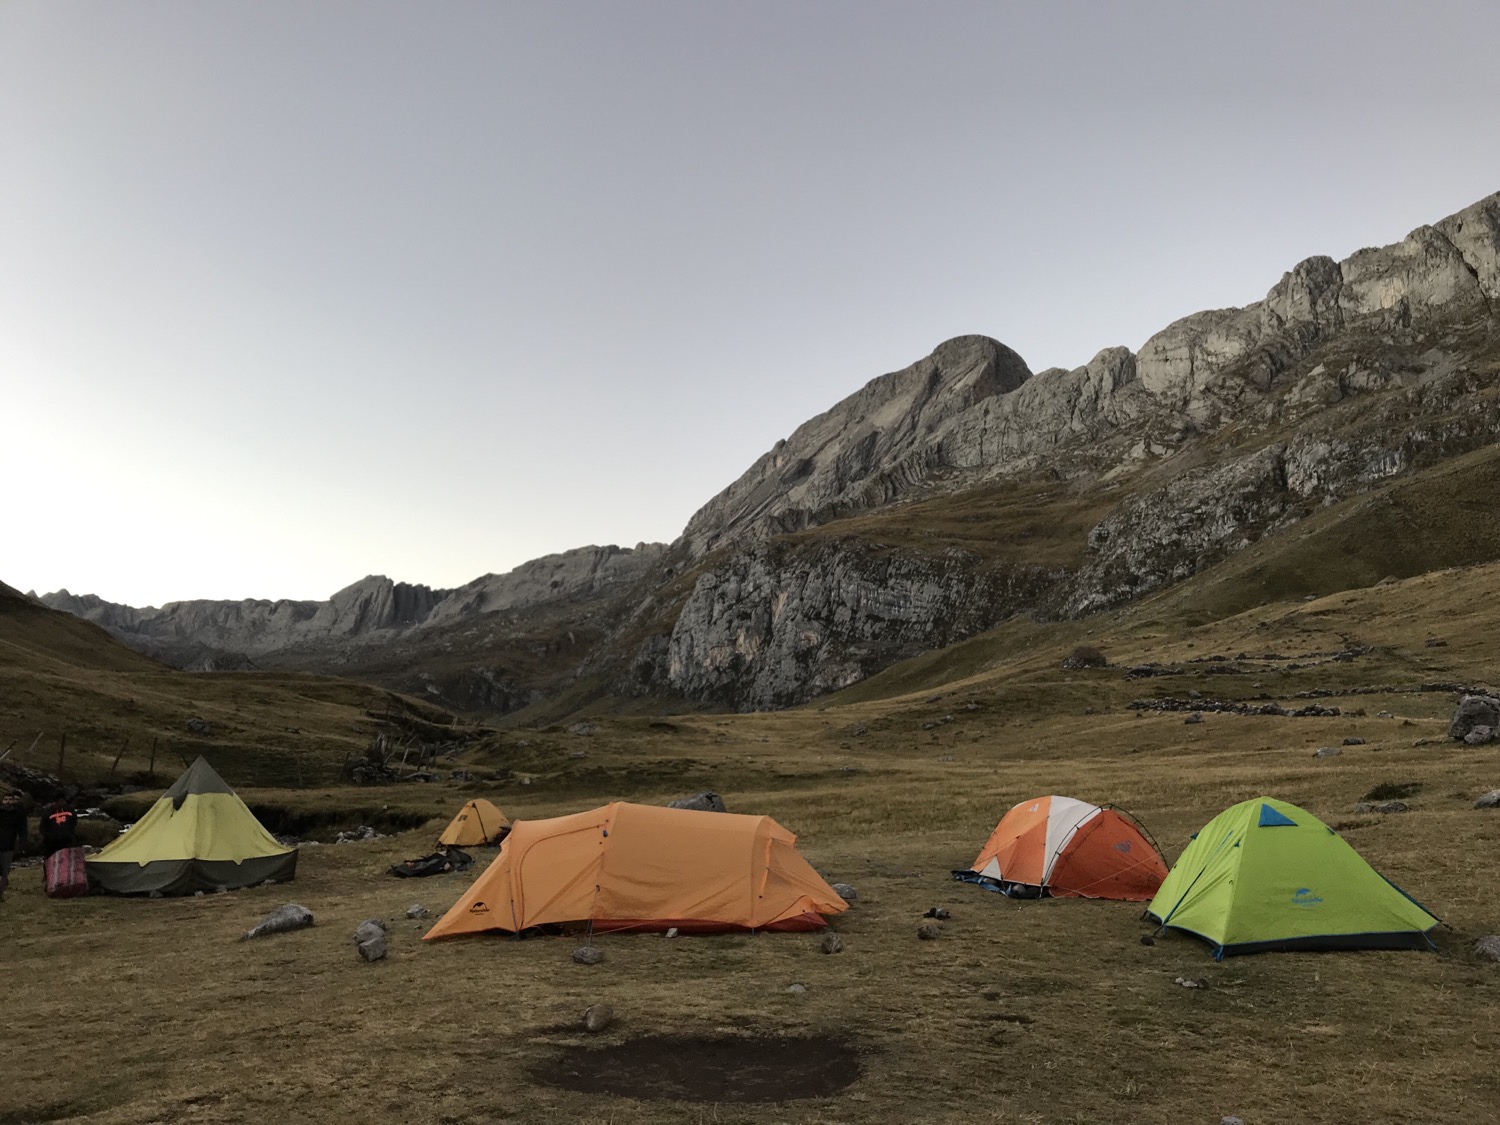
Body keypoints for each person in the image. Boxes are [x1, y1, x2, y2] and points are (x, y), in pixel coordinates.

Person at [0, 793, 27, 901]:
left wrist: (22, 844)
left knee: (5, 871)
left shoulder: (18, 814)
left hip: (9, 846)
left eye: (9, 800)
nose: (7, 802)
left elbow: (22, 831)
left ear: (13, 801)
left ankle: (0, 893)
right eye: (5, 799)